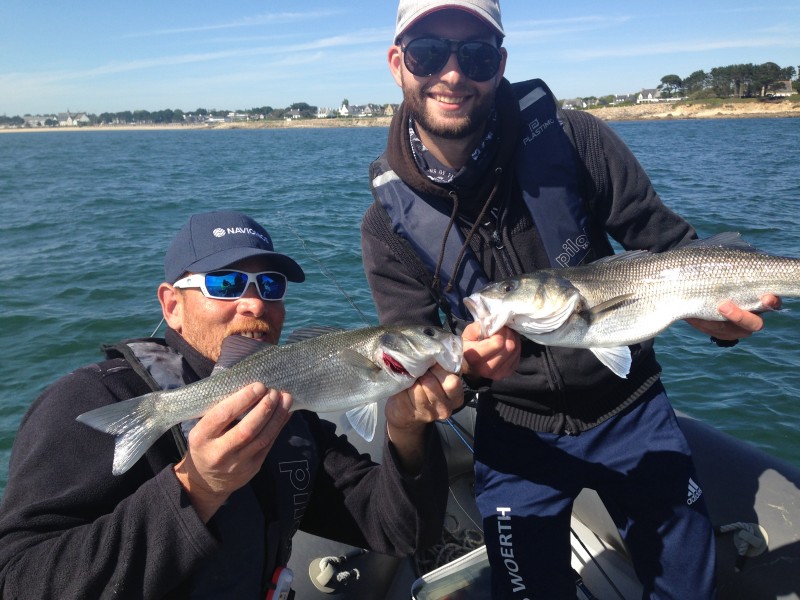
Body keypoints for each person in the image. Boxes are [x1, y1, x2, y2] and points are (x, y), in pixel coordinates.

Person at [360, 1, 782, 598]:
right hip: (513, 431)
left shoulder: (574, 137)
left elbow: (671, 245)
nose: (453, 74)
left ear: (499, 64)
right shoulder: (386, 225)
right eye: (429, 53)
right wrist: (464, 377)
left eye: (476, 55)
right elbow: (413, 356)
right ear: (398, 63)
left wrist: (720, 323)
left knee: (689, 588)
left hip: (634, 408)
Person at [0, 210, 463, 599]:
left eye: (270, 285)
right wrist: (195, 488)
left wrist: (405, 434)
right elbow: (20, 577)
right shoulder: (89, 400)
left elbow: (401, 531)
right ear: (171, 305)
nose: (254, 304)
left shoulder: (292, 417)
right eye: (225, 283)